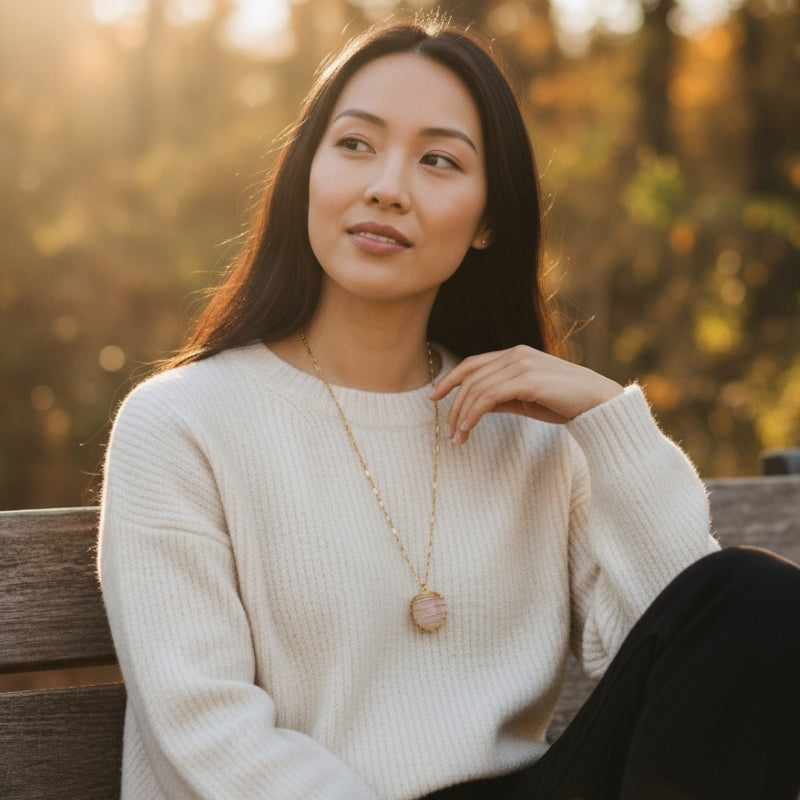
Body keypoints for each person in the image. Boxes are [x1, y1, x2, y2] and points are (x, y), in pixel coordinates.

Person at [97, 15, 800, 800]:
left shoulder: (530, 432)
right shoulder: (182, 423)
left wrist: (608, 421)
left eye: (438, 160)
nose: (386, 188)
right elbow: (205, 728)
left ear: (489, 219)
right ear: (307, 174)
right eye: (355, 145)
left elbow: (697, 662)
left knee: (759, 599)